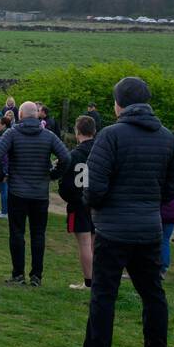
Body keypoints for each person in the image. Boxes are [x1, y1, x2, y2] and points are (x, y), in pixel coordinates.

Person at [67, 77, 174, 347]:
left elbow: (94, 186)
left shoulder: (110, 136)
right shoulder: (167, 138)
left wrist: (97, 205)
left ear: (119, 104)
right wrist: (148, 201)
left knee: (104, 293)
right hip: (148, 228)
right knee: (152, 293)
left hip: (113, 228)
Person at [0, 101, 71, 286]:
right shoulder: (48, 136)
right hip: (40, 193)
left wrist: (0, 176)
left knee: (17, 233)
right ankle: (36, 275)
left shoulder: (12, 133)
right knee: (38, 234)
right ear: (36, 115)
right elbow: (66, 157)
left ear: (20, 115)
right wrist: (53, 175)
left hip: (17, 190)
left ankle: (18, 274)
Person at [59, 115, 97, 290]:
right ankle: (98, 280)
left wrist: (70, 197)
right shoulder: (101, 151)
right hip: (97, 202)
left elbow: (66, 183)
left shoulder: (74, 155)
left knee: (85, 244)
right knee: (94, 242)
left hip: (79, 202)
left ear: (77, 132)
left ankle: (89, 282)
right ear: (94, 131)